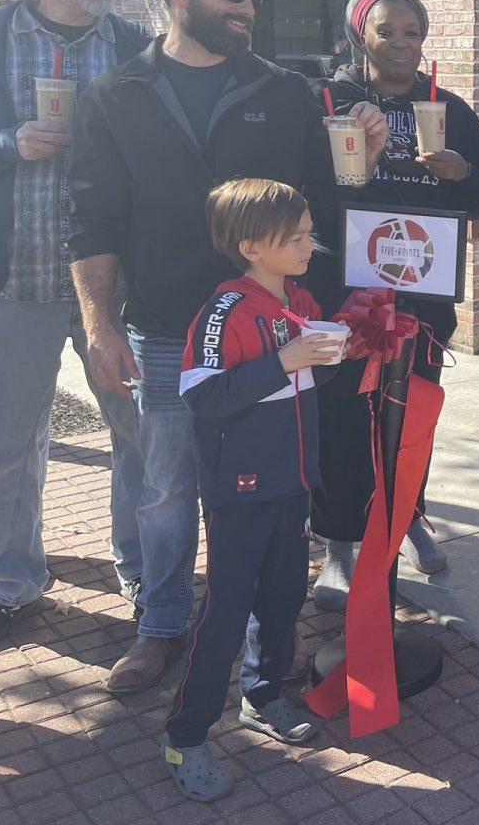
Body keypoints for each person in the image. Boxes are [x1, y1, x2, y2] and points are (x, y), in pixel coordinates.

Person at [69, 0, 387, 692]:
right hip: (165, 329)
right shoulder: (115, 95)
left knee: (268, 488)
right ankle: (163, 624)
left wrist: (361, 166)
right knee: (167, 488)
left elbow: (322, 204)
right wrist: (99, 325)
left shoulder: (284, 92)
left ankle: (255, 628)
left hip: (269, 331)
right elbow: (93, 220)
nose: (250, 8)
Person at [0, 0, 147, 653]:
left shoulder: (135, 47)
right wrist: (6, 142)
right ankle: (11, 583)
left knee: (136, 434)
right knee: (8, 442)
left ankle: (143, 572)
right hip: (11, 281)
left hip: (110, 287)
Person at [309, 0, 479, 608]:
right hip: (344, 294)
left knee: (411, 412)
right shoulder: (329, 102)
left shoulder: (448, 108)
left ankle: (407, 516)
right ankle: (339, 545)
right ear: (359, 34)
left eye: (413, 33)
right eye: (387, 31)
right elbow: (306, 191)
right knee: (342, 415)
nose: (401, 44)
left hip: (422, 293)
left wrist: (461, 172)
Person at [162, 179, 333, 801]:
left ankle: (261, 696)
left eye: (309, 231)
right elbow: (201, 395)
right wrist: (283, 362)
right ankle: (186, 733)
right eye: (297, 237)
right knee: (226, 610)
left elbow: (302, 381)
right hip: (240, 490)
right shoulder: (224, 309)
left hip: (293, 485)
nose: (310, 243)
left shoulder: (298, 297)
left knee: (285, 596)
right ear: (252, 246)